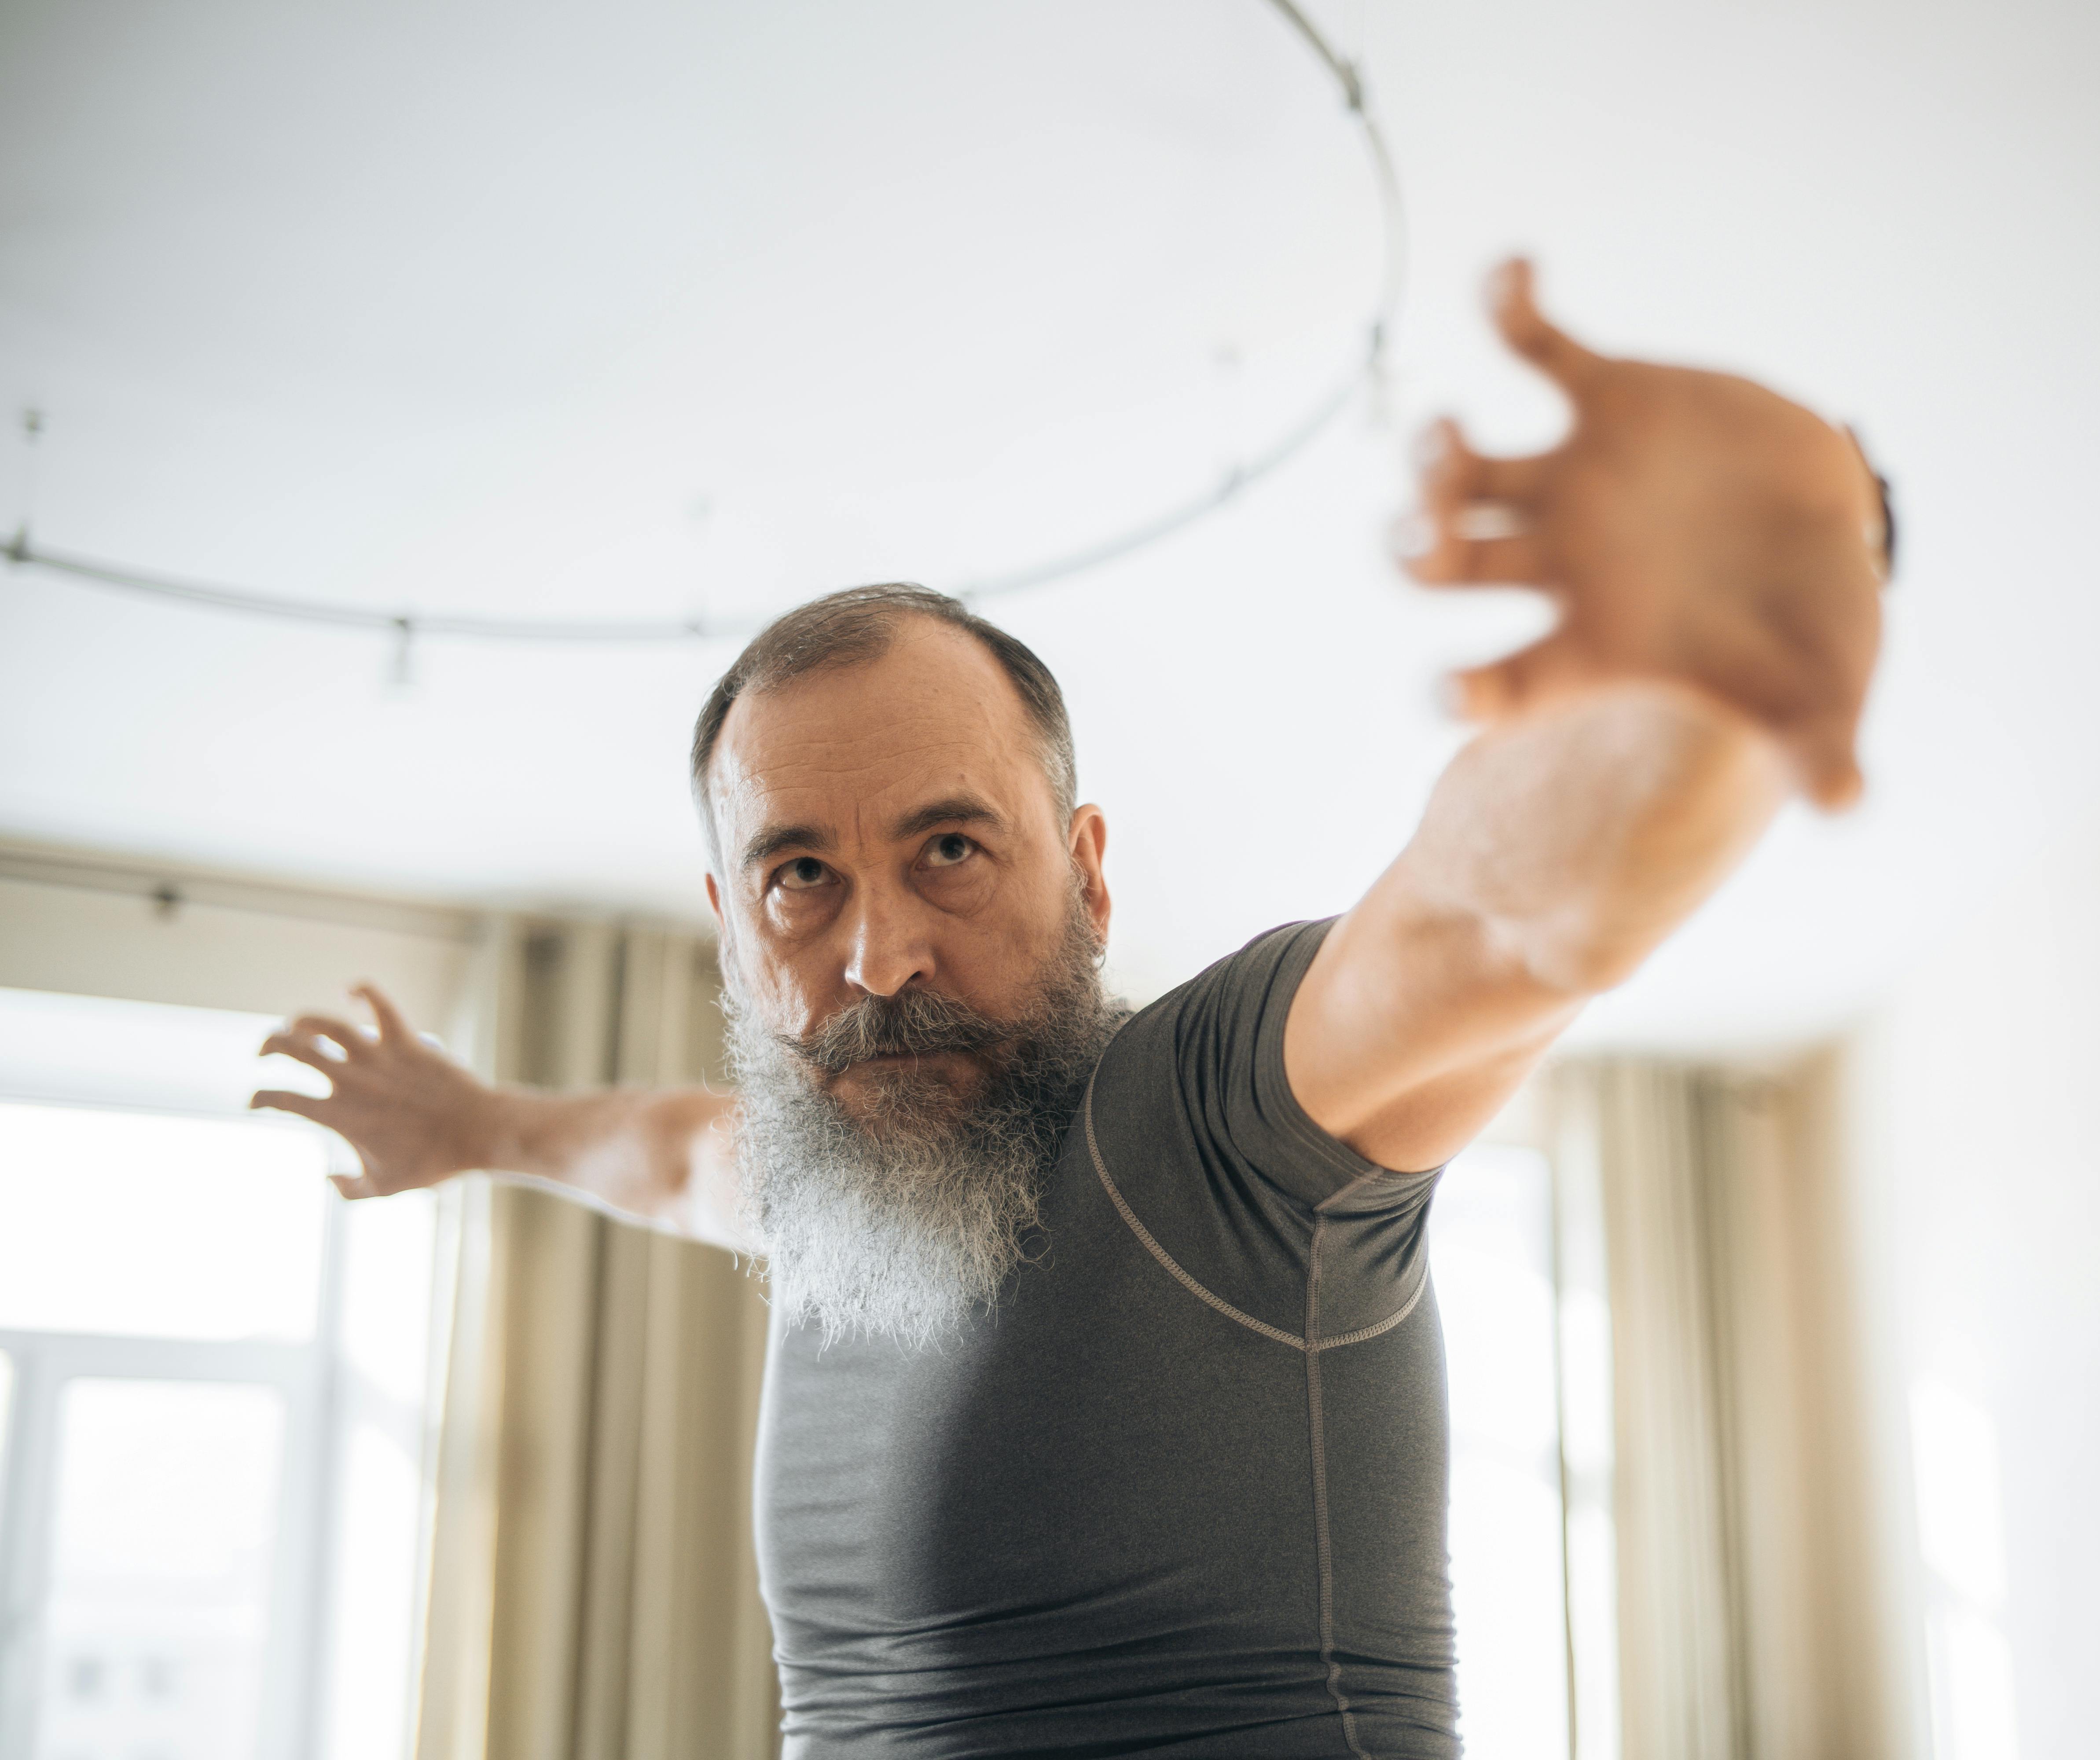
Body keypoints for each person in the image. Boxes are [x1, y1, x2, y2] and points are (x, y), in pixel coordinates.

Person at [252, 260, 1891, 1757]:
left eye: (949, 848)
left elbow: (1495, 914)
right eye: (799, 878)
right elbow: (667, 1157)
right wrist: (472, 1128)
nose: (879, 955)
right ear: (733, 935)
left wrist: (1728, 664)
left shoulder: (1223, 1123)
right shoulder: (831, 1191)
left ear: (1088, 874)